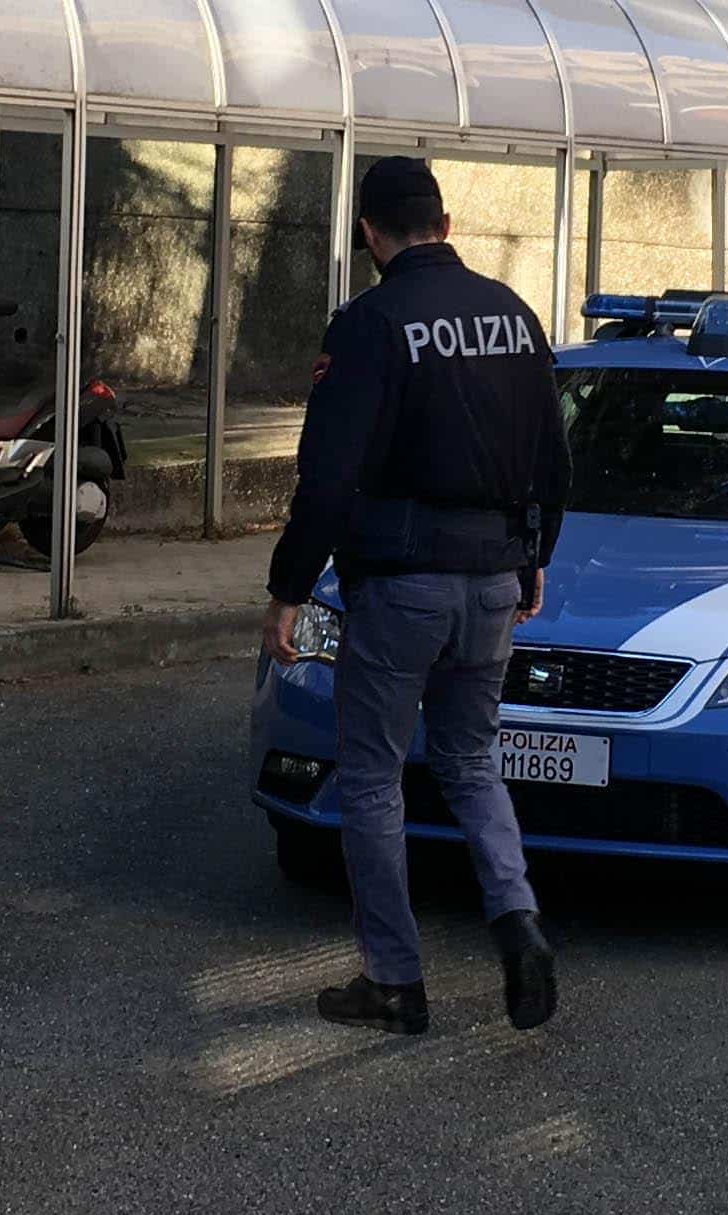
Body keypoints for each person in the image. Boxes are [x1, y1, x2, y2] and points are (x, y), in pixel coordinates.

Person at [262, 157, 572, 1034]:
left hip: (402, 586)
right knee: (472, 761)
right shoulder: (514, 315)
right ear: (444, 222)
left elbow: (327, 479)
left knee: (370, 777)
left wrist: (289, 589)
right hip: (494, 581)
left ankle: (395, 981)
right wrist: (535, 556)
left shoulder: (369, 323)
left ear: (370, 233)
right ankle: (519, 925)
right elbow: (554, 459)